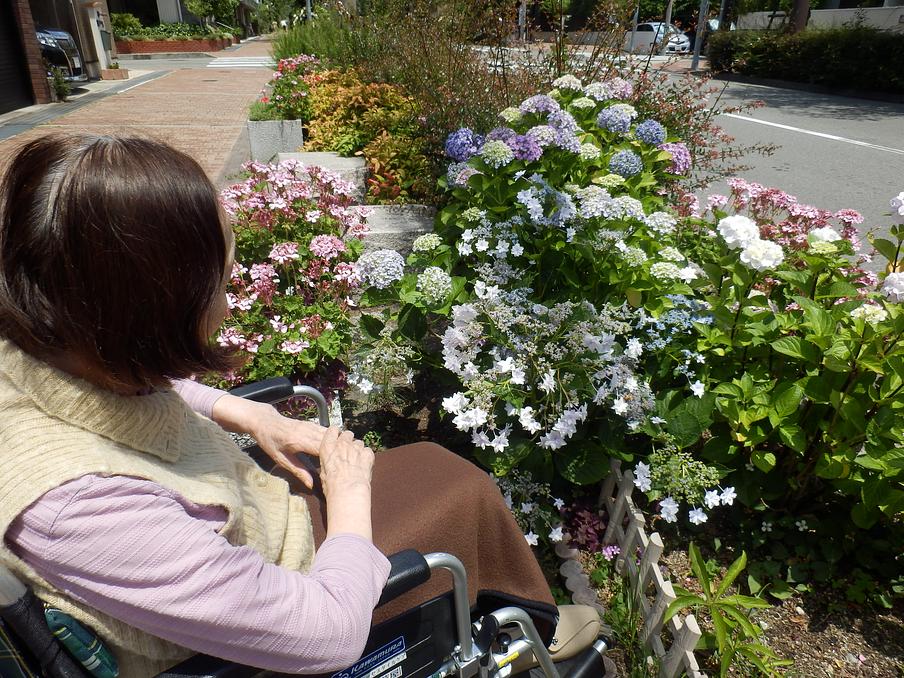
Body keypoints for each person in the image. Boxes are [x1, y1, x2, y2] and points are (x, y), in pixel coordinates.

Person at [0, 134, 600, 677]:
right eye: (221, 282)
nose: (229, 298)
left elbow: (106, 383)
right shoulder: (79, 507)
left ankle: (511, 607)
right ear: (152, 311)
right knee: (459, 492)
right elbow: (329, 633)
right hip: (277, 611)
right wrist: (349, 493)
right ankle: (517, 629)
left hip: (245, 524)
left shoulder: (45, 346)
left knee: (426, 465)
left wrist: (248, 414)